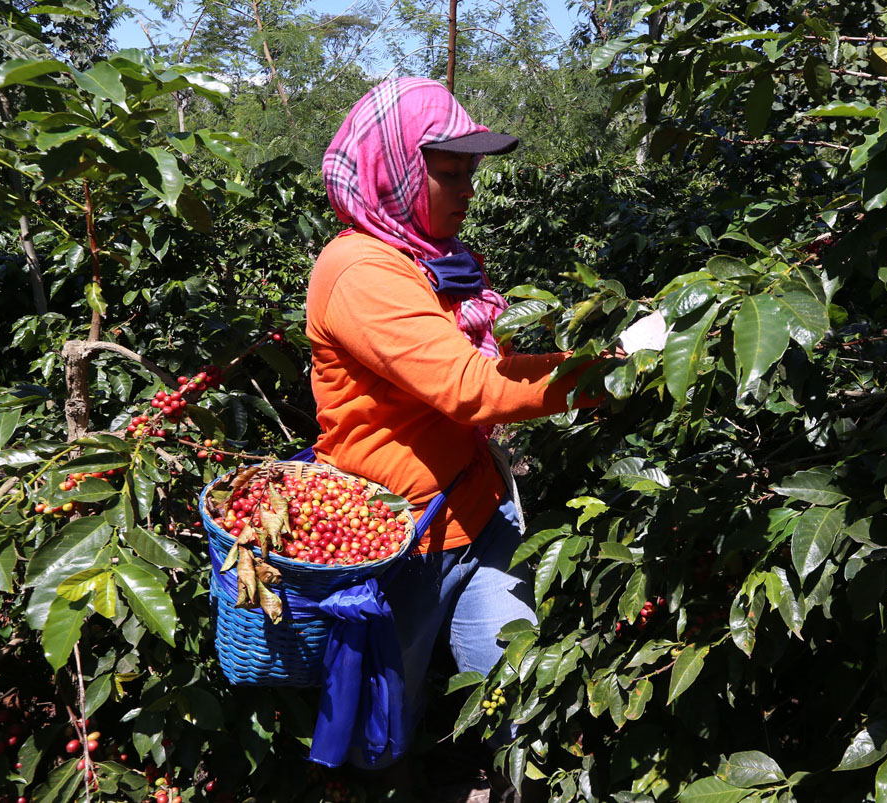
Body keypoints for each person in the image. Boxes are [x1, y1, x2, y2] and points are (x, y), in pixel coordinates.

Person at [305, 77, 591, 794]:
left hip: (477, 516)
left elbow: (486, 368)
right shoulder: (362, 271)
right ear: (396, 171)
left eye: (472, 174)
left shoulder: (429, 260)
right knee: (385, 722)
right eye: (450, 173)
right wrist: (595, 380)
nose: (467, 192)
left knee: (515, 693)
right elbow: (469, 387)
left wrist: (594, 366)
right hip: (400, 543)